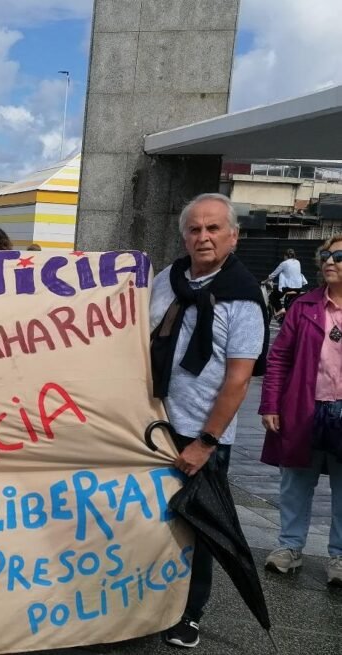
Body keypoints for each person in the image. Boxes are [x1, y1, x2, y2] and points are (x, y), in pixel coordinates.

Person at [149, 192, 268, 649]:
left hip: (202, 433)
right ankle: (145, 602)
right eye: (195, 229)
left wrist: (206, 441)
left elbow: (238, 380)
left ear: (233, 236)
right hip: (155, 424)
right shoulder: (168, 279)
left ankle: (191, 613)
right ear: (184, 236)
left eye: (213, 228)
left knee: (200, 526)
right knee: (152, 520)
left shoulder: (243, 297)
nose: (203, 237)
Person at [259, 237, 342, 587]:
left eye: (338, 256)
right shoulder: (304, 305)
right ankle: (290, 547)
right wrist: (270, 404)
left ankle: (339, 556)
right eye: (325, 255)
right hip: (304, 406)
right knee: (295, 480)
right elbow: (279, 358)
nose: (329, 261)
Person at [263, 249, 304, 316]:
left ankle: (280, 310)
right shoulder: (297, 262)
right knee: (289, 304)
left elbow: (273, 274)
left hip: (288, 288)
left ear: (285, 256)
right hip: (298, 288)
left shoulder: (284, 263)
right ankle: (285, 316)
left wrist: (265, 281)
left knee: (273, 296)